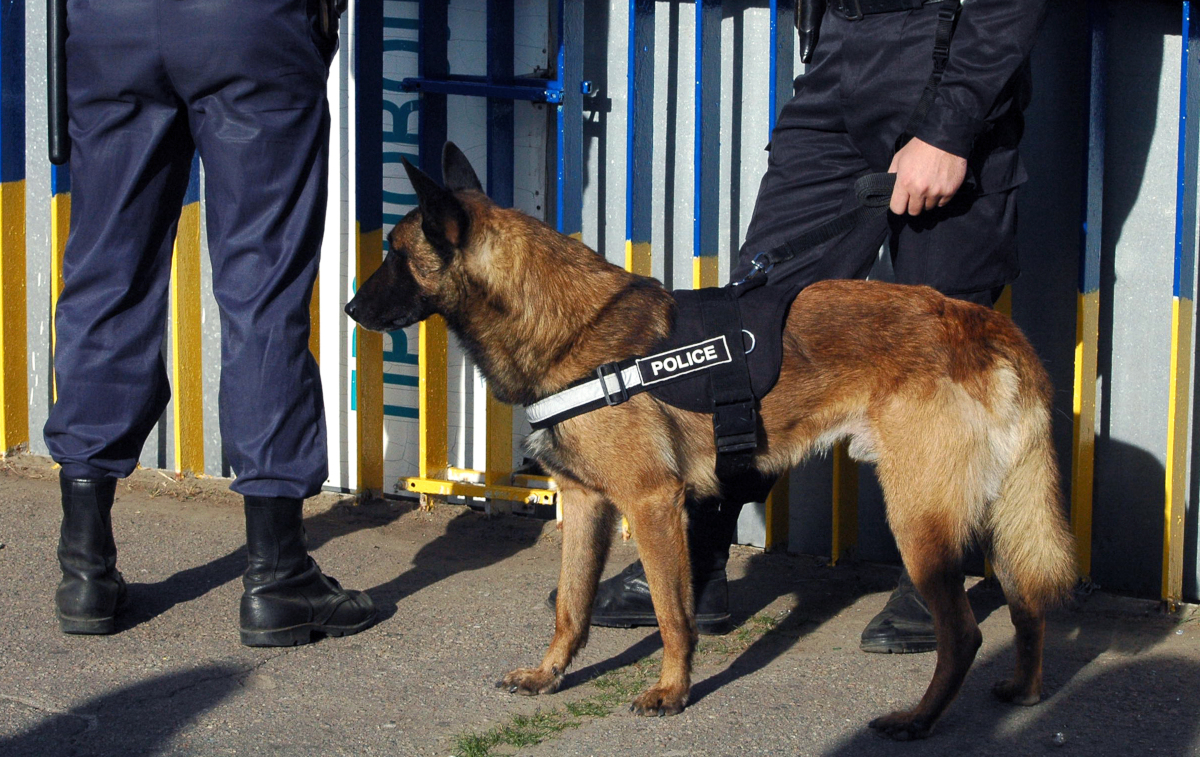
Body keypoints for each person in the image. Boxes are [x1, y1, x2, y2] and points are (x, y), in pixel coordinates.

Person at [557, 0, 1048, 651]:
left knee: (938, 341)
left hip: (947, 47)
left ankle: (934, 572)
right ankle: (697, 558)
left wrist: (951, 126)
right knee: (754, 326)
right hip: (839, 53)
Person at [44, 0, 375, 647]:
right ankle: (277, 579)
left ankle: (84, 570)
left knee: (108, 273)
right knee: (263, 285)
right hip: (247, 23)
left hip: (109, 23)